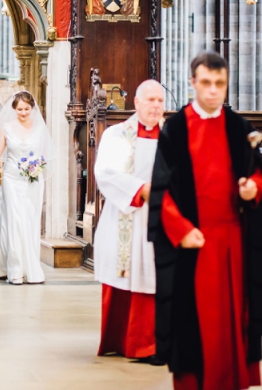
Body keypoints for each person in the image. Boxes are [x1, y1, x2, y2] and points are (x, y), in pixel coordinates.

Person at [148, 51, 262, 390]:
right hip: (195, 242)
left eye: (219, 84)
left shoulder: (239, 127)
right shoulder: (175, 129)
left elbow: (259, 177)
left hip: (235, 242)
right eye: (206, 83)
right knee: (195, 320)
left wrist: (253, 189)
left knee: (235, 318)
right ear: (193, 82)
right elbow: (161, 190)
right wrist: (180, 230)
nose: (212, 91)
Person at [93, 80, 164, 362]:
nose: (156, 105)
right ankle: (123, 340)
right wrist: (142, 189)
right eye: (150, 100)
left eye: (160, 100)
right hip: (127, 214)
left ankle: (151, 344)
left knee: (155, 280)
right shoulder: (117, 135)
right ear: (136, 103)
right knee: (125, 278)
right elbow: (106, 173)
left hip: (161, 218)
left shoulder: (172, 137)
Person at [0, 91, 50, 284]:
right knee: (14, 221)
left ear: (32, 108)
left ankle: (31, 268)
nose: (23, 112)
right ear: (14, 109)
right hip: (12, 179)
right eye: (20, 109)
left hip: (33, 180)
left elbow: (46, 155)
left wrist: (37, 167)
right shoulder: (6, 128)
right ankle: (14, 269)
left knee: (30, 221)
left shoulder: (40, 129)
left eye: (27, 109)